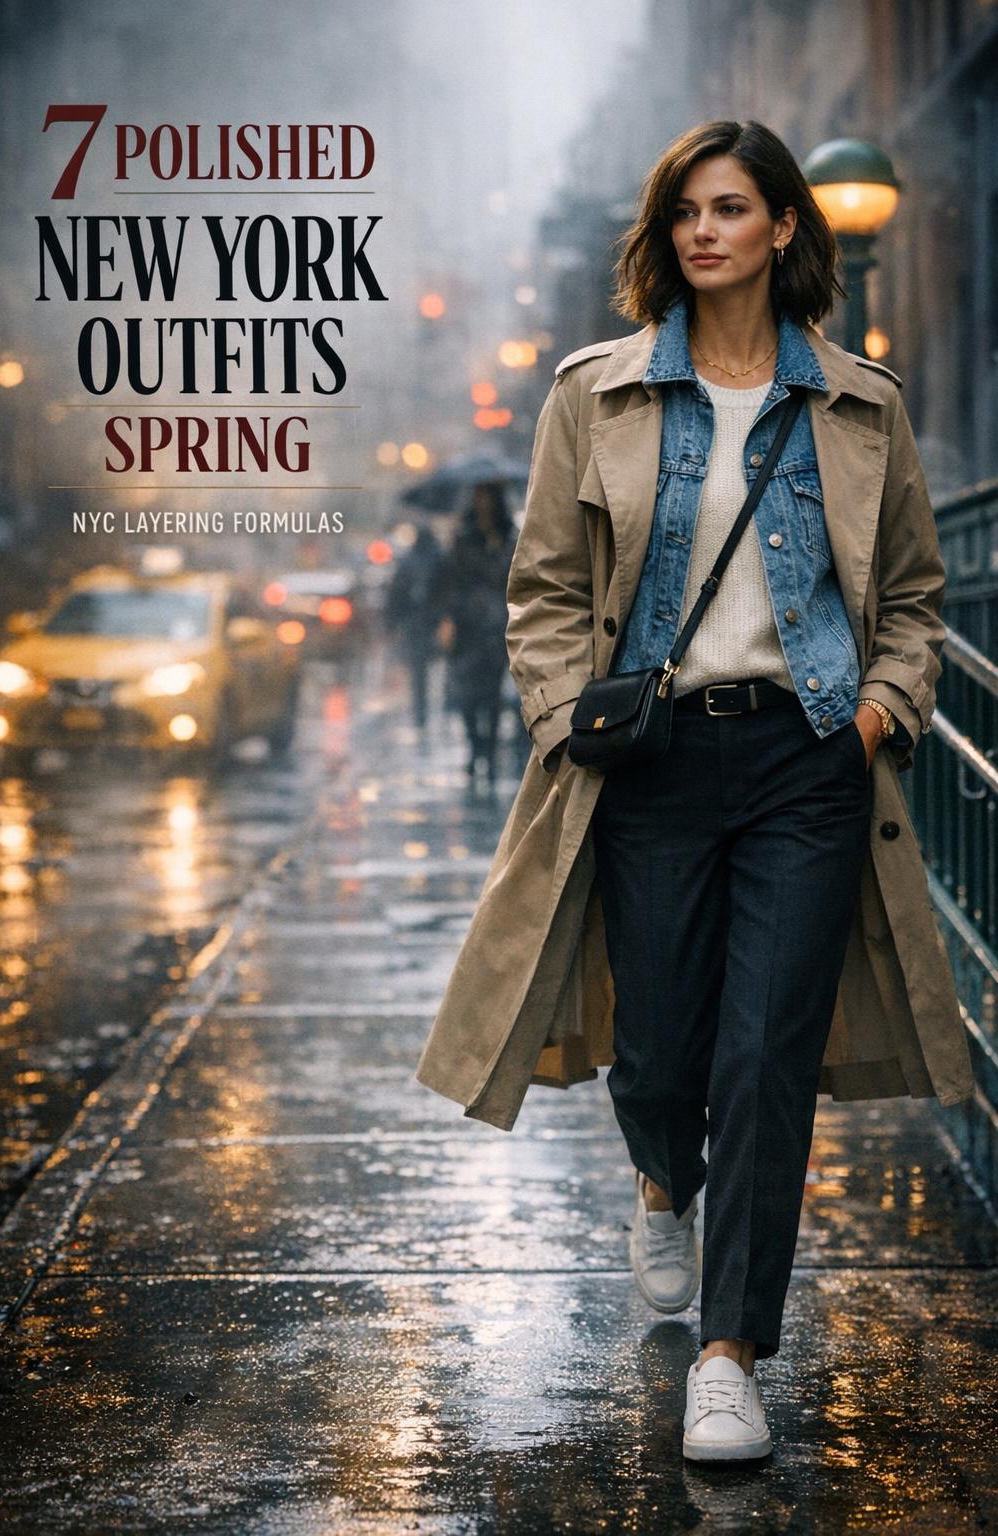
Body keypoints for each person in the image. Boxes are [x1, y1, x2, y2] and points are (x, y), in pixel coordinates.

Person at [414, 119, 974, 1462]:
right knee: (659, 1043)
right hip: (653, 763)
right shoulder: (593, 395)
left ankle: (730, 1356)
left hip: (809, 760)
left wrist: (884, 710)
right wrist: (568, 720)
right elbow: (543, 591)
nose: (704, 231)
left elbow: (911, 597)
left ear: (787, 227)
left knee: (765, 1053)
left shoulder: (861, 405)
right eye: (684, 213)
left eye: (731, 208)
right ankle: (665, 1181)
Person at [434, 482, 516, 786]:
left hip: (498, 626)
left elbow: (514, 576)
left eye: (488, 498)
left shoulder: (508, 537)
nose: (483, 503)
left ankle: (490, 757)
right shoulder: (462, 538)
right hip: (468, 626)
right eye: (479, 497)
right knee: (467, 696)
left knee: (493, 697)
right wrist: (449, 618)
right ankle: (475, 747)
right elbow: (450, 581)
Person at [385, 522, 443, 730]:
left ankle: (422, 713)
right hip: (430, 622)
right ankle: (430, 710)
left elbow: (395, 595)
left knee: (420, 671)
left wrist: (392, 623)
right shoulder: (439, 557)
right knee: (431, 669)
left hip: (419, 624)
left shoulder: (408, 561)